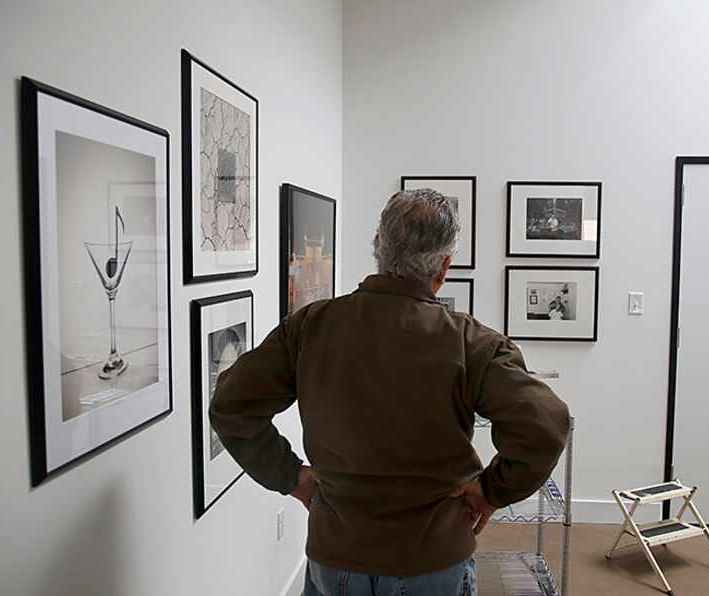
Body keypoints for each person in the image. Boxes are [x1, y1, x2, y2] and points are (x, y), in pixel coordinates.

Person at [209, 189, 571, 596]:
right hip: (432, 559)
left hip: (336, 554)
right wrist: (491, 490)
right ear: (444, 267)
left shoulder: (310, 326)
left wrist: (291, 476)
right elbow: (546, 422)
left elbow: (230, 405)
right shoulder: (472, 343)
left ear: (377, 245)